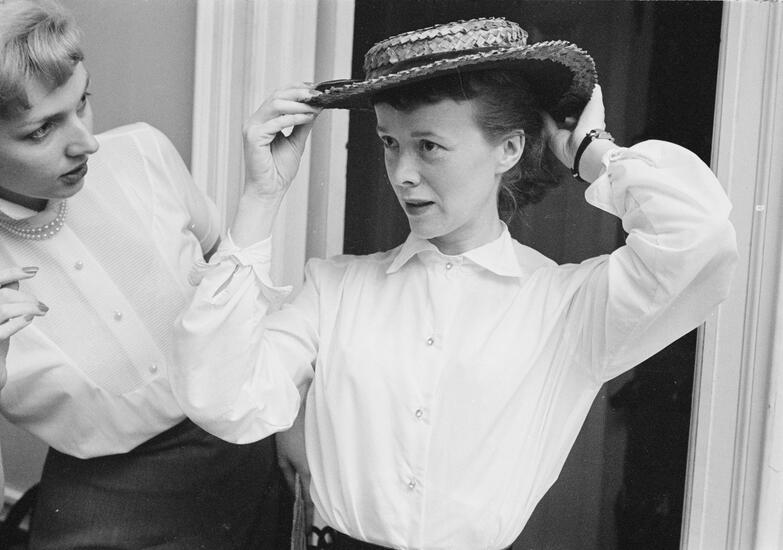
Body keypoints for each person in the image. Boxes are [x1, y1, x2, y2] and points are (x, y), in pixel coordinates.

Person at [172, 17, 738, 550]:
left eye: (429, 146)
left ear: (508, 148)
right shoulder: (333, 289)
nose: (403, 174)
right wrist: (262, 196)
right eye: (390, 142)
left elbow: (699, 237)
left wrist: (592, 154)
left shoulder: (566, 308)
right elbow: (224, 398)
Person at [0, 0, 286, 547]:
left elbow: (237, 289)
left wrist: (291, 424)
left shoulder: (143, 154)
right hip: (106, 498)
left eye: (83, 102)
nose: (86, 141)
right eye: (41, 130)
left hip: (244, 447)